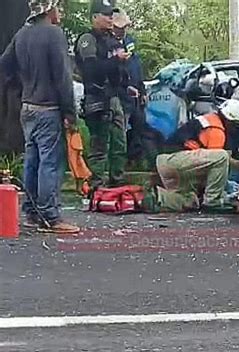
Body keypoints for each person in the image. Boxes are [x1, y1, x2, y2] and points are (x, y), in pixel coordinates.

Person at [0, 0, 80, 234]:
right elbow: (63, 78)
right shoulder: (53, 34)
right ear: (49, 9)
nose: (61, 11)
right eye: (58, 7)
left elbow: (4, 65)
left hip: (27, 107)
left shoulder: (22, 34)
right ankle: (50, 217)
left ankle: (32, 213)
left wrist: (21, 84)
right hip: (48, 108)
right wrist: (70, 113)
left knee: (32, 160)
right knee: (50, 162)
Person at [151, 99, 239, 213]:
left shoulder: (210, 120)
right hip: (174, 160)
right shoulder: (216, 129)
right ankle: (212, 202)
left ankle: (153, 197)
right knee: (222, 156)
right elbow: (219, 161)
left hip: (171, 163)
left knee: (191, 200)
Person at [74, 0, 131, 188]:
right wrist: (115, 60)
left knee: (120, 144)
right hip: (96, 99)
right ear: (95, 17)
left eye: (111, 15)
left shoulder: (111, 41)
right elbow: (92, 71)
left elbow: (116, 73)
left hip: (114, 98)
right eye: (106, 15)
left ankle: (117, 183)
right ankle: (95, 187)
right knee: (99, 146)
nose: (110, 19)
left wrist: (125, 80)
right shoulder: (87, 39)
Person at [111, 9, 147, 163]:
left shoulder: (130, 42)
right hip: (121, 95)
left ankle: (136, 159)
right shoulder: (108, 44)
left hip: (136, 96)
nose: (123, 30)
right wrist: (125, 88)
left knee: (139, 126)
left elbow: (136, 66)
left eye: (125, 27)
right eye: (120, 27)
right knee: (120, 131)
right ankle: (119, 162)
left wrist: (142, 89)